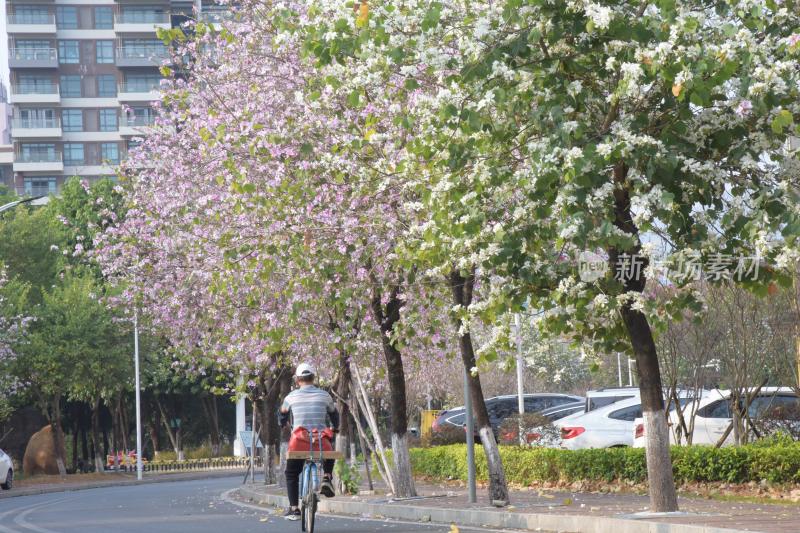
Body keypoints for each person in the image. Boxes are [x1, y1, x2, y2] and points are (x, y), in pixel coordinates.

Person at [279, 363, 339, 520]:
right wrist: (335, 428)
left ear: (298, 380)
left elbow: (282, 414)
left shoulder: (290, 397)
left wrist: (283, 423)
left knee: (291, 473)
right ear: (313, 378)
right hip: (320, 442)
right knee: (329, 447)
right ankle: (326, 476)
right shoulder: (325, 396)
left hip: (299, 442)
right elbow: (334, 414)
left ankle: (294, 509)